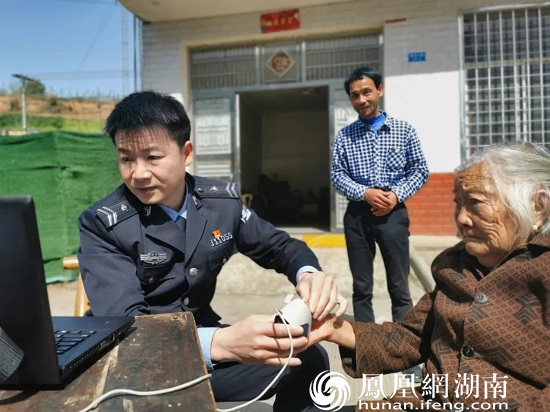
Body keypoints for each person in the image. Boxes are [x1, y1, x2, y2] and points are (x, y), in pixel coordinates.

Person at [77, 91, 346, 412]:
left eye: (152, 157)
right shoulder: (103, 223)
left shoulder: (221, 203)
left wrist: (310, 276)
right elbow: (127, 324)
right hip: (134, 358)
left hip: (202, 343)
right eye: (126, 159)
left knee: (307, 354)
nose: (138, 173)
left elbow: (280, 246)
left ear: (186, 152)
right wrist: (220, 343)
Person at [312, 143, 550, 410]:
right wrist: (331, 328)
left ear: (538, 206)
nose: (461, 219)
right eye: (458, 203)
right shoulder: (456, 265)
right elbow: (413, 335)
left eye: (477, 203)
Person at [330, 66, 429, 324]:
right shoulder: (344, 136)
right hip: (358, 216)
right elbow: (337, 175)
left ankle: (404, 351)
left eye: (366, 92)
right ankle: (366, 348)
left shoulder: (403, 130)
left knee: (399, 286)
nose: (361, 100)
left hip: (393, 214)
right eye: (354, 95)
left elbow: (419, 170)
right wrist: (365, 193)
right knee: (361, 287)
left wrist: (395, 196)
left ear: (379, 90)